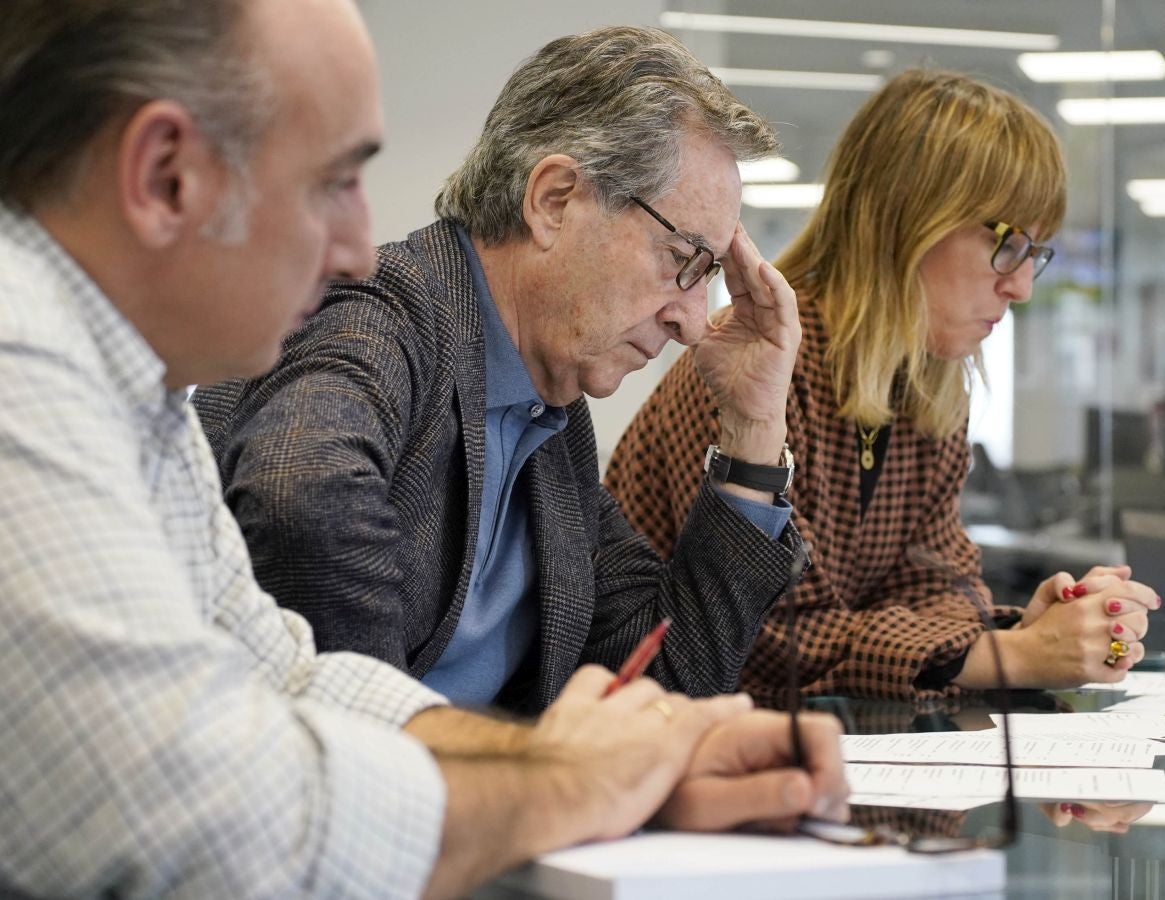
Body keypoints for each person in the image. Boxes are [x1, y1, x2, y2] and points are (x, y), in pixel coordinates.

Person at [0, 3, 848, 897]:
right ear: (165, 174)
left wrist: (641, 758)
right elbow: (205, 814)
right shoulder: (24, 368)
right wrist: (567, 781)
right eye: (332, 182)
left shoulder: (143, 395)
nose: (359, 245)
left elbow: (294, 680)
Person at [192, 26, 804, 712]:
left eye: (709, 277)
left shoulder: (548, 417)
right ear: (554, 200)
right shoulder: (382, 311)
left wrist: (753, 428)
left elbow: (667, 678)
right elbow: (294, 495)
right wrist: (451, 762)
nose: (692, 322)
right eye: (684, 260)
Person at [606, 69, 1162, 705]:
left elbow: (936, 585)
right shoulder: (753, 361)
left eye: (1036, 254)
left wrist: (1020, 632)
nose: (1021, 286)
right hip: (672, 751)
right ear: (909, 217)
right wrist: (1010, 654)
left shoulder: (926, 379)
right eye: (1009, 244)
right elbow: (774, 641)